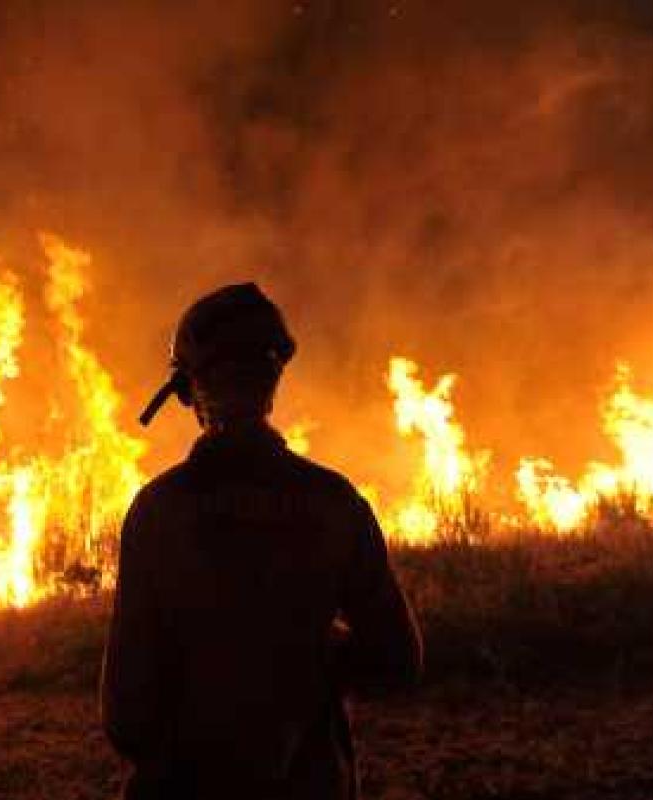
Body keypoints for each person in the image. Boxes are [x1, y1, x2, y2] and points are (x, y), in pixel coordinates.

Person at [101, 283, 423, 800]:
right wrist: (312, 660)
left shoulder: (159, 512)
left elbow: (127, 716)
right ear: (274, 379)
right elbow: (398, 660)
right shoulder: (334, 502)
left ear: (187, 392)